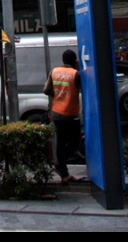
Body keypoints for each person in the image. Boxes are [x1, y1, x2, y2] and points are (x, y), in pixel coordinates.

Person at [44, 49, 83, 184]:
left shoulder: (54, 72)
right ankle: (59, 165)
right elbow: (85, 89)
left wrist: (58, 96)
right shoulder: (76, 74)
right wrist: (79, 69)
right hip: (71, 114)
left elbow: (46, 90)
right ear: (75, 61)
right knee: (75, 144)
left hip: (57, 113)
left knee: (60, 144)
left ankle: (64, 173)